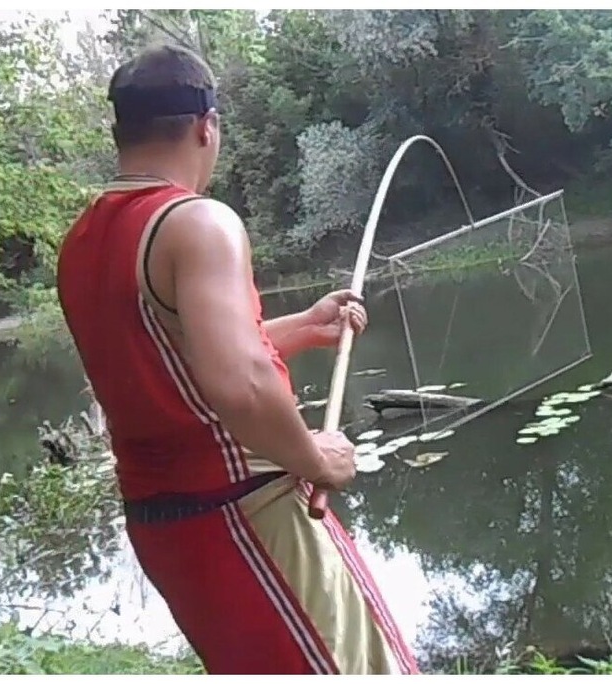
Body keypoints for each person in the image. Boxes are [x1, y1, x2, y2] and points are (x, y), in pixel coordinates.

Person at [55, 43, 420, 675]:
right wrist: (316, 457)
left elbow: (179, 363)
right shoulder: (198, 223)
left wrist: (305, 328)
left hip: (167, 527)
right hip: (248, 515)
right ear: (207, 126)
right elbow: (241, 384)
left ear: (120, 132)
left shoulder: (84, 241)